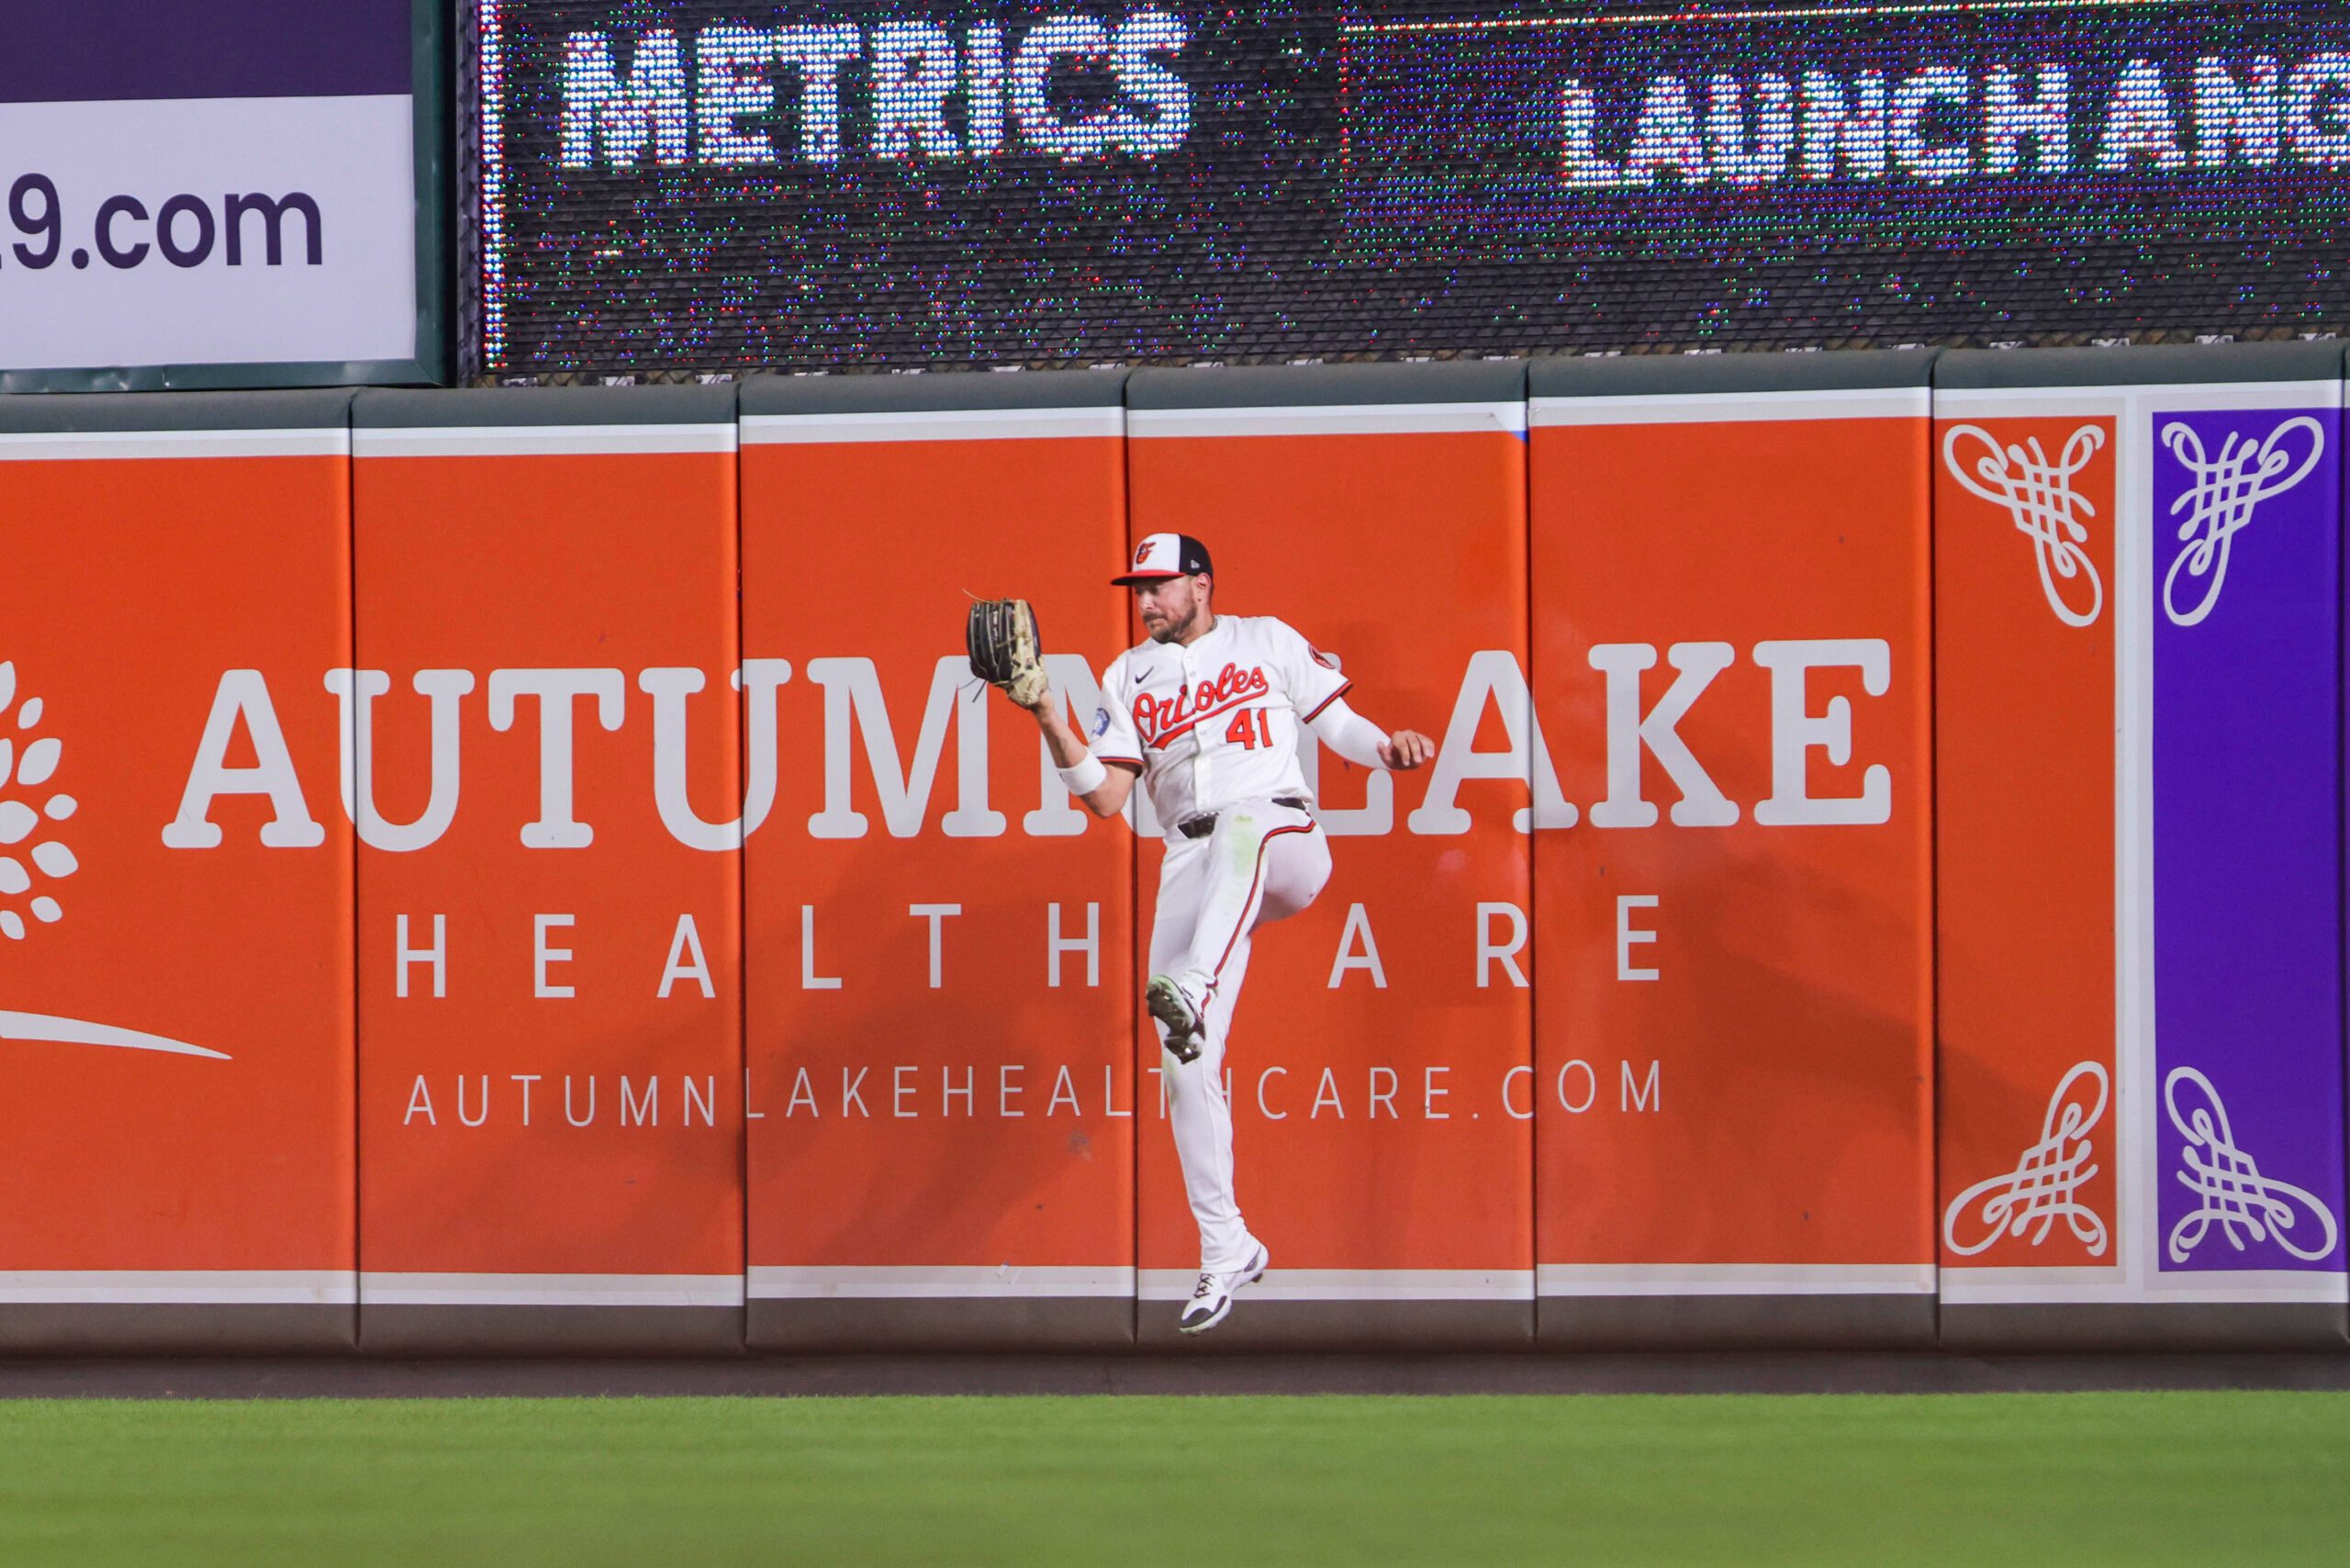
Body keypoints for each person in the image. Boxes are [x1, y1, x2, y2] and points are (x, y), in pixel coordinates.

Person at [1006, 532, 1433, 1333]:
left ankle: (1194, 987)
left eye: (1159, 586)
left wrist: (1384, 749)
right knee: (1181, 1064)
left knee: (1243, 824)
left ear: (1201, 584)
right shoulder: (1128, 673)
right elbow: (1104, 797)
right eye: (1139, 589)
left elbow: (1335, 726)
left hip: (1286, 839)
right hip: (1190, 862)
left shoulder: (1264, 639)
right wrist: (1043, 713)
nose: (1144, 601)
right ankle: (1224, 1247)